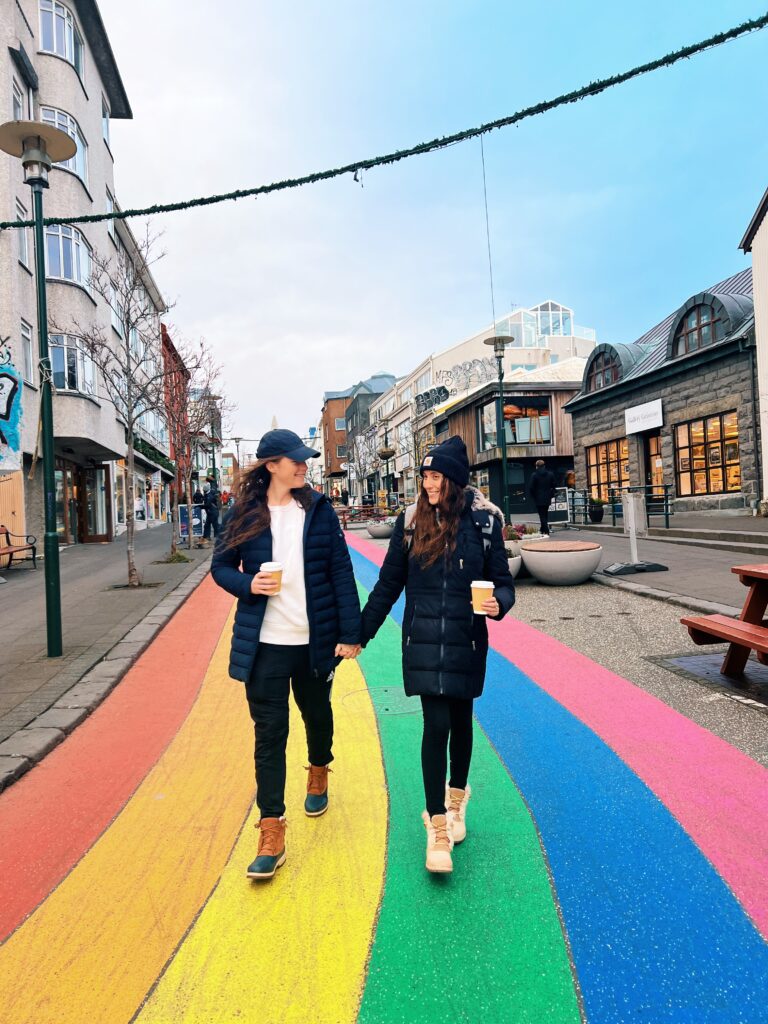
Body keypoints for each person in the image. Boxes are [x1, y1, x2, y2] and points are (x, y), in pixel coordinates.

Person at [211, 429, 361, 881]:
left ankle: (319, 768)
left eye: (305, 460)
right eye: (295, 460)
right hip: (265, 645)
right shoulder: (243, 514)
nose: (304, 466)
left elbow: (340, 570)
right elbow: (220, 567)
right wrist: (248, 584)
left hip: (314, 641)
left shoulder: (318, 511)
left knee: (317, 714)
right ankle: (271, 829)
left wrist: (350, 633)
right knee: (269, 734)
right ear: (271, 465)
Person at [360, 436, 515, 874]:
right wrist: (359, 634)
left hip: (466, 641)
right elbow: (388, 585)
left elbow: (503, 583)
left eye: (435, 477)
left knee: (462, 722)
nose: (428, 485)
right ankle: (438, 827)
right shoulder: (410, 524)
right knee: (438, 723)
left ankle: (457, 797)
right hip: (424, 644)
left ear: (454, 481)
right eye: (424, 476)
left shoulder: (485, 525)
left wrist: (498, 603)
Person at [529, 459, 557, 536]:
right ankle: (542, 529)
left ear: (537, 466)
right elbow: (554, 485)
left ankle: (546, 530)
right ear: (544, 466)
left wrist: (534, 496)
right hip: (547, 497)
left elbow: (531, 487)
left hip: (538, 498)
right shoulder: (550, 474)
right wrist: (551, 494)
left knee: (542, 514)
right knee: (545, 513)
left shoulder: (534, 475)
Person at [201, 478, 221, 544]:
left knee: (215, 525)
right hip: (211, 512)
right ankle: (207, 537)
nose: (203, 491)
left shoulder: (209, 495)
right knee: (208, 525)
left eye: (204, 490)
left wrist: (199, 507)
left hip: (213, 512)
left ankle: (218, 537)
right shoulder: (207, 494)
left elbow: (207, 505)